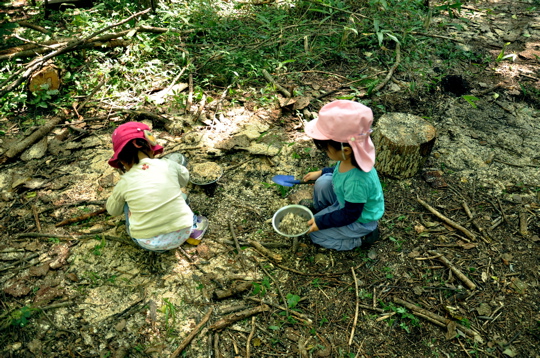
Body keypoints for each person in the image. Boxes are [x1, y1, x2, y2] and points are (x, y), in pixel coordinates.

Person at [105, 122, 208, 252]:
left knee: (125, 204)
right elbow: (184, 180)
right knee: (181, 197)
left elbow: (113, 211)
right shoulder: (169, 164)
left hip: (150, 243)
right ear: (150, 148)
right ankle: (195, 230)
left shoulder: (125, 182)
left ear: (122, 161)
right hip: (182, 233)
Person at [301, 100, 385, 251]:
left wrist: (321, 223)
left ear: (345, 150)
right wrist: (322, 172)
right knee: (323, 182)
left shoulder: (357, 182)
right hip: (345, 202)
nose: (325, 153)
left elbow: (350, 214)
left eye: (326, 150)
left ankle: (362, 239)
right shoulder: (351, 158)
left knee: (316, 235)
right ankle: (324, 212)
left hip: (359, 219)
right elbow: (339, 172)